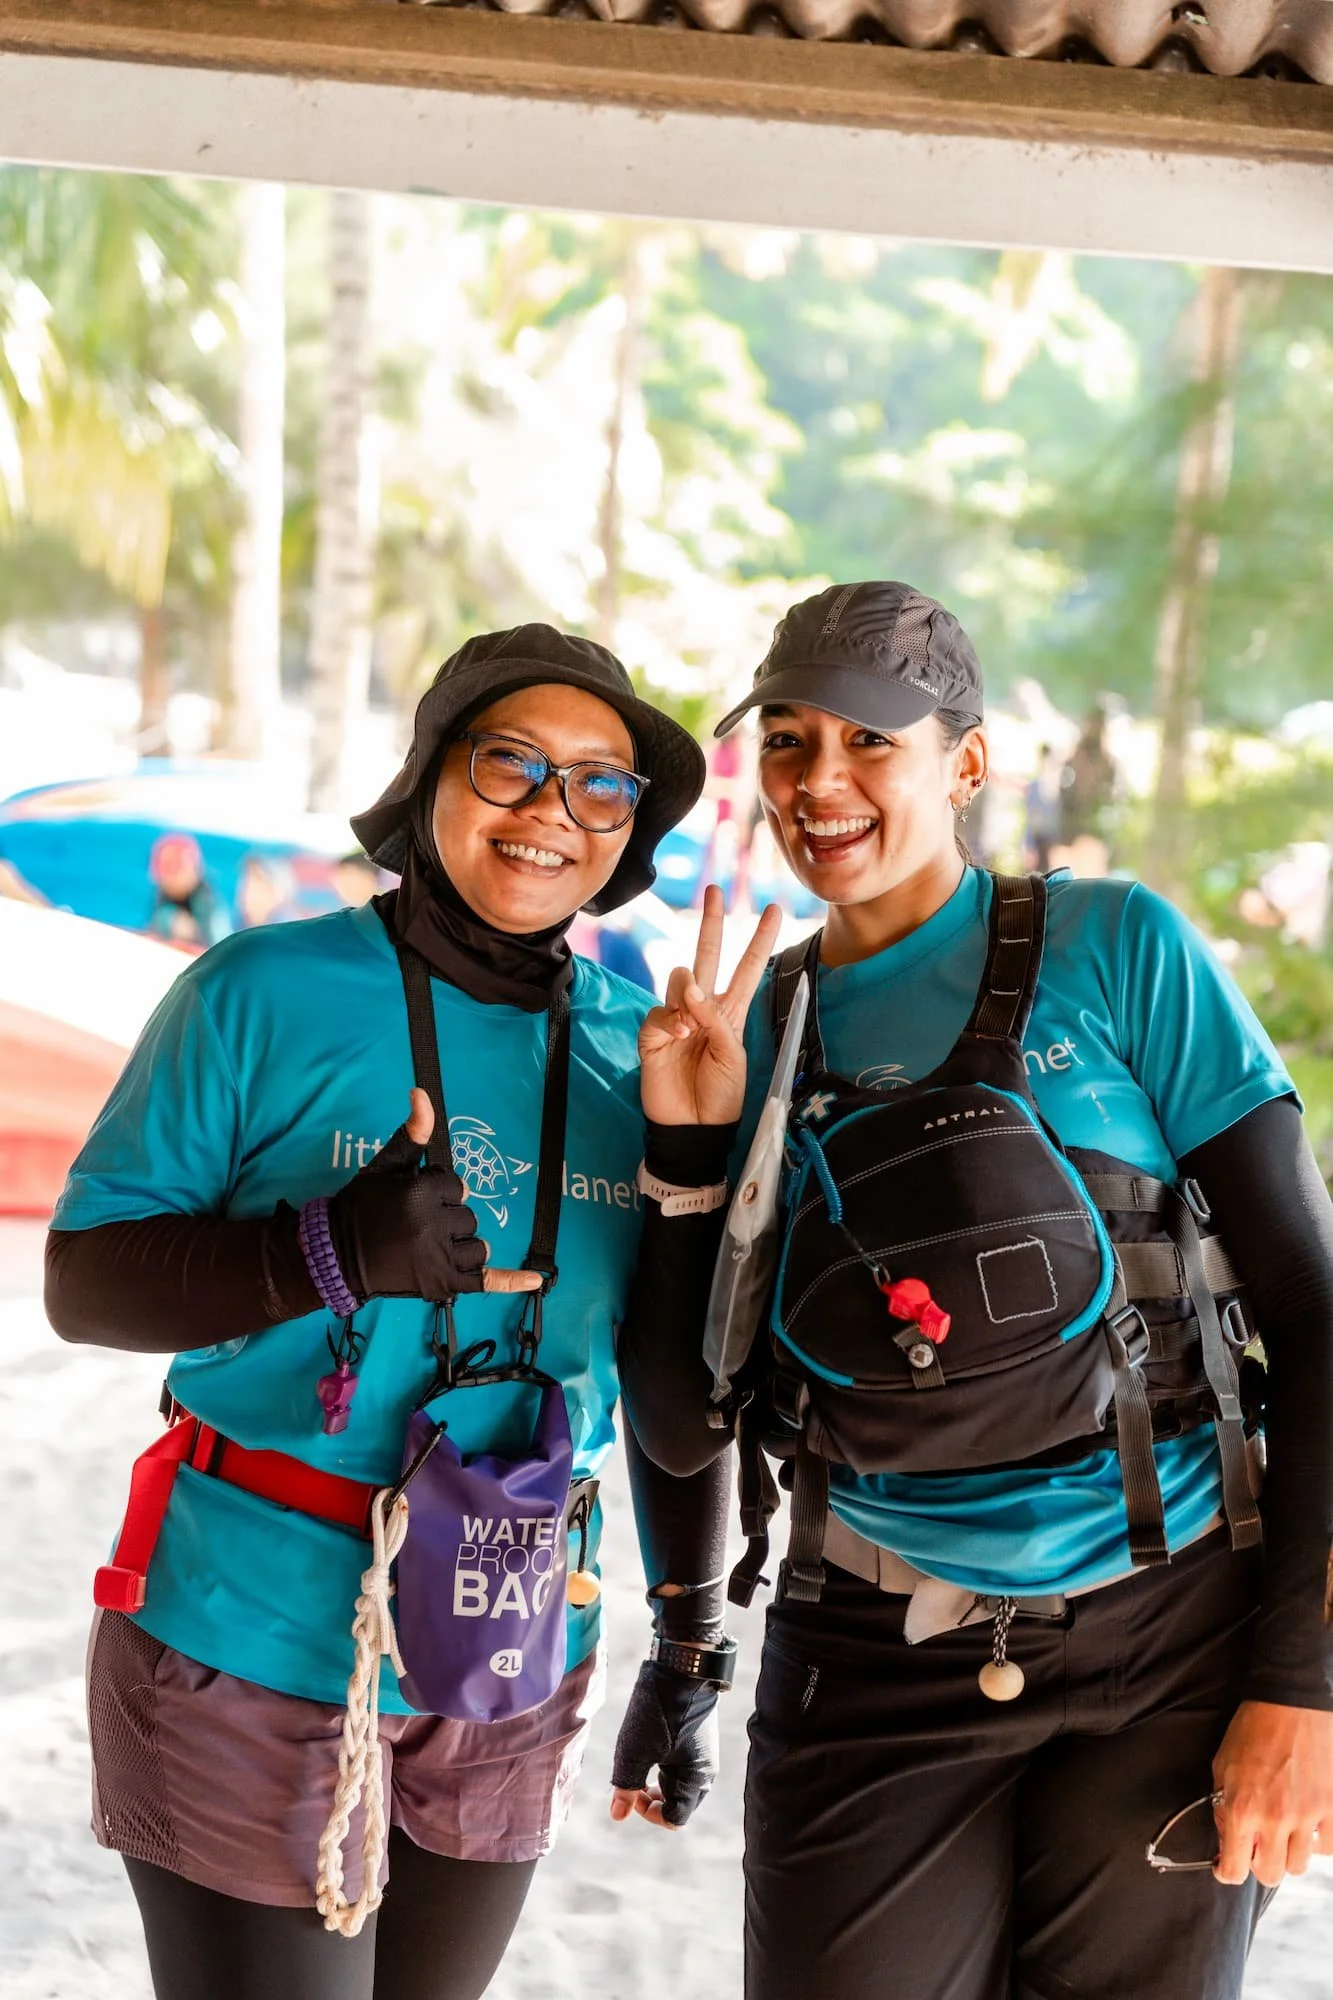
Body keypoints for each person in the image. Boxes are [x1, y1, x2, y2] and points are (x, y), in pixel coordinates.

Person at [618, 581, 1333, 2000]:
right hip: (864, 1654)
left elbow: (1317, 1326)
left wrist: (1302, 1683)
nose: (818, 783)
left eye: (869, 743)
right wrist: (690, 1153)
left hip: (1168, 1634)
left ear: (965, 762)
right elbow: (686, 1419)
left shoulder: (1119, 950)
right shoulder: (764, 1021)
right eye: (786, 742)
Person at [46, 625, 735, 2000]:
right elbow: (83, 1283)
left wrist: (687, 1634)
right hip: (253, 1626)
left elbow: (669, 1397)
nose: (555, 810)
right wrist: (331, 1250)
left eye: (603, 786)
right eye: (514, 764)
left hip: (510, 1636)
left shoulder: (643, 1050)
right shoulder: (261, 993)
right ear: (430, 775)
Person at [145, 831, 231, 949]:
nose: (166, 882)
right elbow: (153, 928)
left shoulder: (207, 900)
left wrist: (191, 934)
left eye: (172, 875)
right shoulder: (163, 895)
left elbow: (219, 949)